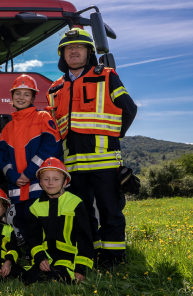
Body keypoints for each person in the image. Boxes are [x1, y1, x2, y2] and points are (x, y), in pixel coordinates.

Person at [47, 28, 137, 269]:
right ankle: (92, 254)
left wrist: (111, 138)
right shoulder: (55, 89)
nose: (73, 51)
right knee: (83, 212)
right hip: (73, 165)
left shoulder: (107, 76)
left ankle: (114, 258)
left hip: (103, 161)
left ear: (89, 51)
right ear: (62, 55)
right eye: (68, 48)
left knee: (110, 211)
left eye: (79, 47)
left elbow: (129, 109)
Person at [0, 74, 60, 243]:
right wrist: (13, 176)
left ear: (33, 97)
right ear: (11, 97)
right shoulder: (8, 127)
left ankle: (44, 256)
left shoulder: (43, 118)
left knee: (41, 221)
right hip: (18, 186)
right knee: (22, 220)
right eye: (18, 93)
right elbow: (3, 158)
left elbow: (50, 148)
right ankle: (32, 255)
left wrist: (29, 173)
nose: (21, 98)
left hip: (38, 185)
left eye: (27, 94)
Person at [24, 158, 94, 284]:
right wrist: (40, 258)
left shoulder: (75, 203)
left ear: (64, 182)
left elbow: (84, 238)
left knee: (57, 278)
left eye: (56, 179)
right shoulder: (35, 207)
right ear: (40, 182)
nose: (51, 183)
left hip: (69, 259)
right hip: (46, 258)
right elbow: (33, 238)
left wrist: (80, 270)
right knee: (30, 278)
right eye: (46, 179)